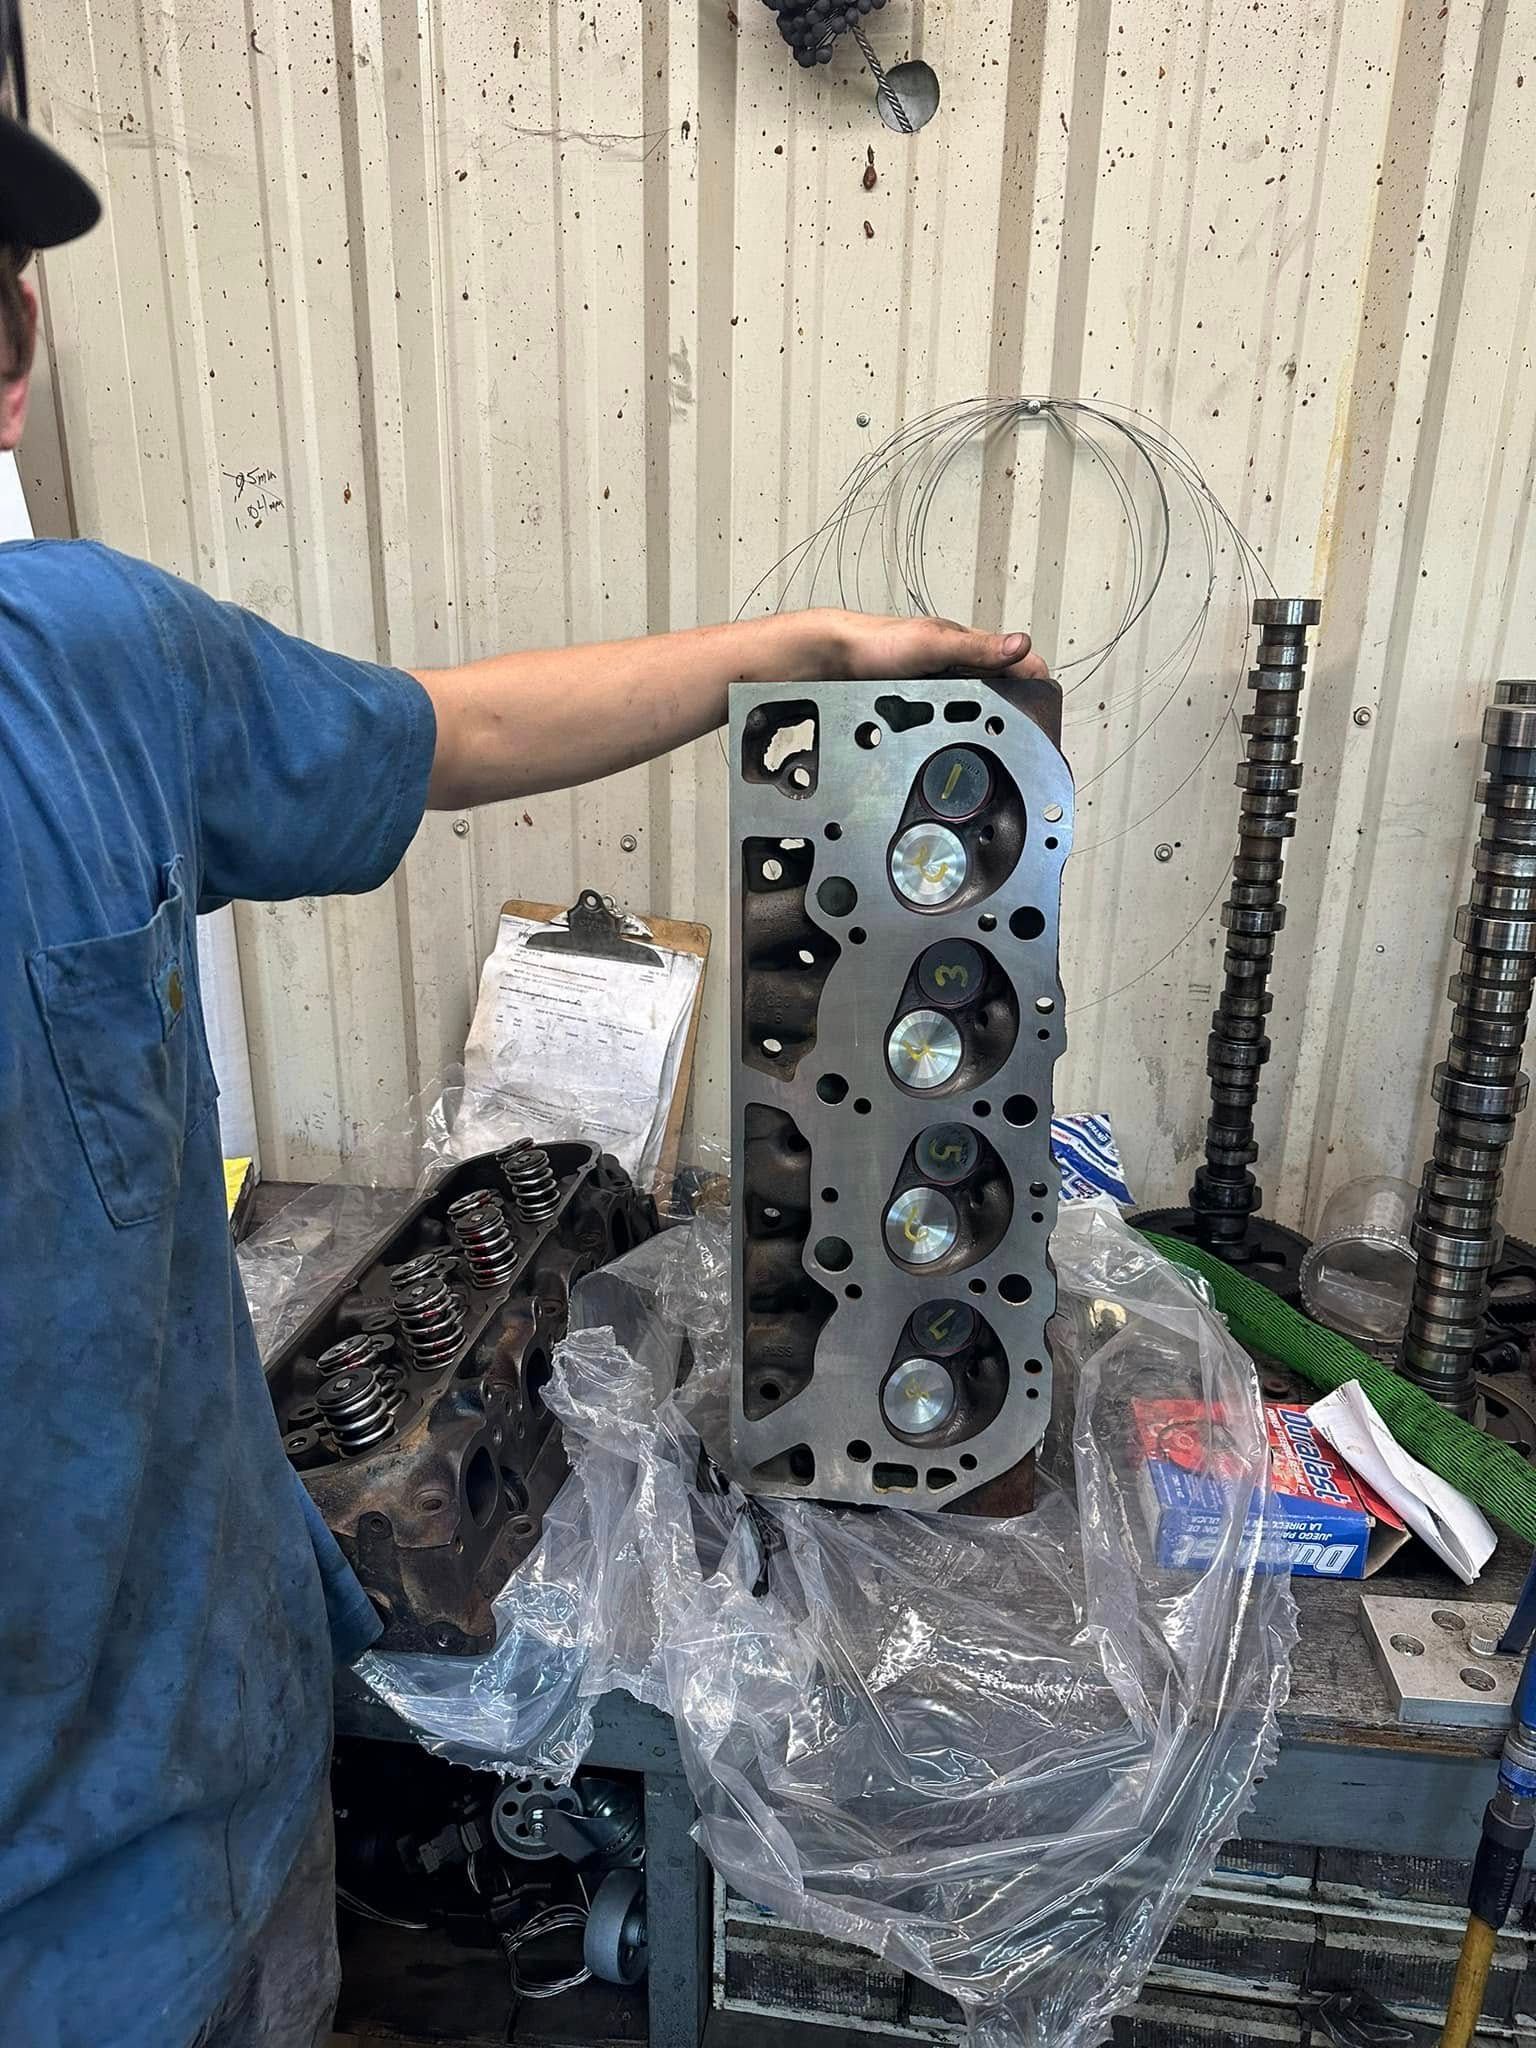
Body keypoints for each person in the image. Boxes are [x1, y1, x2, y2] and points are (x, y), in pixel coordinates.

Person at [0, 12, 1049, 2046]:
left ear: (11, 345)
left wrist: (802, 652)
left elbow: (446, 729)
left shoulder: (90, 675)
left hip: (180, 1836)